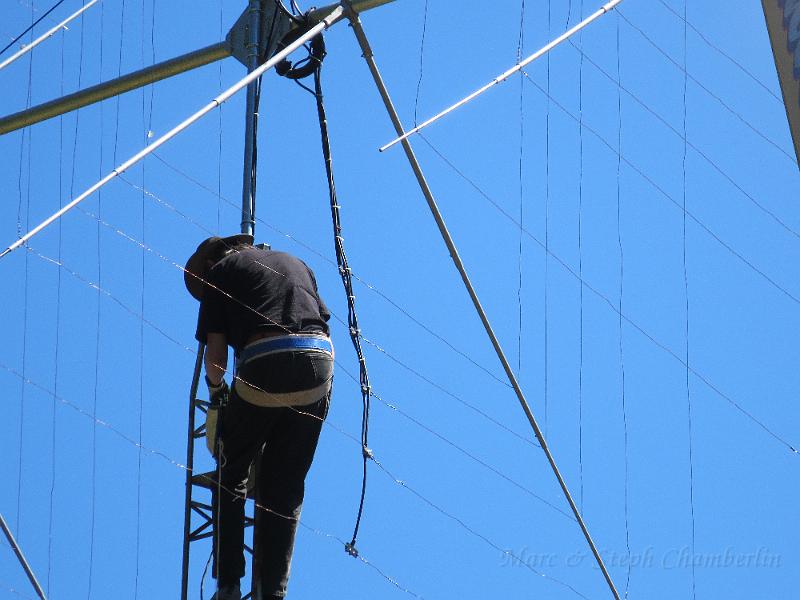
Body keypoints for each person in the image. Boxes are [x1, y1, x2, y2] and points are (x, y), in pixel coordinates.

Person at [184, 234, 333, 600]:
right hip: (319, 366)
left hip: (265, 362)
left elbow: (216, 359)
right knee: (284, 488)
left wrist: (219, 394)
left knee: (232, 470)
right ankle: (272, 593)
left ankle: (230, 584)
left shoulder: (218, 272)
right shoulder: (297, 261)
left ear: (207, 266)